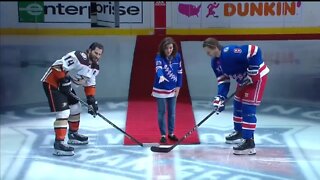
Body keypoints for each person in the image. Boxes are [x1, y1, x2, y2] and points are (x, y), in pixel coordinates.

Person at [202, 37, 269, 155]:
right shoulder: (215, 63)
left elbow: (255, 50)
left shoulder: (230, 52)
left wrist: (253, 69)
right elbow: (223, 81)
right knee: (237, 103)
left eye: (208, 52)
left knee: (248, 108)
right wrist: (220, 98)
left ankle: (249, 142)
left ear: (214, 48)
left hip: (257, 79)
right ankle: (240, 132)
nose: (208, 55)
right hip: (244, 81)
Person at [41, 42, 104, 156]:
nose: (97, 56)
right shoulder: (78, 56)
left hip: (66, 86)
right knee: (64, 112)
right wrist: (63, 80)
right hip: (53, 82)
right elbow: (57, 67)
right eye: (95, 53)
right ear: (89, 50)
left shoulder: (95, 68)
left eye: (100, 54)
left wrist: (91, 100)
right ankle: (59, 144)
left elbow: (90, 84)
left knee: (75, 108)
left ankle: (73, 134)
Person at [151, 37, 183, 143]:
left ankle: (171, 133)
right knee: (162, 111)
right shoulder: (159, 57)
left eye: (170, 48)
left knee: (172, 112)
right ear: (163, 49)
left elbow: (179, 73)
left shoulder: (177, 57)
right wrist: (160, 76)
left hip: (173, 89)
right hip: (160, 89)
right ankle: (163, 135)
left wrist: (178, 87)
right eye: (166, 48)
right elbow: (158, 68)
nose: (169, 50)